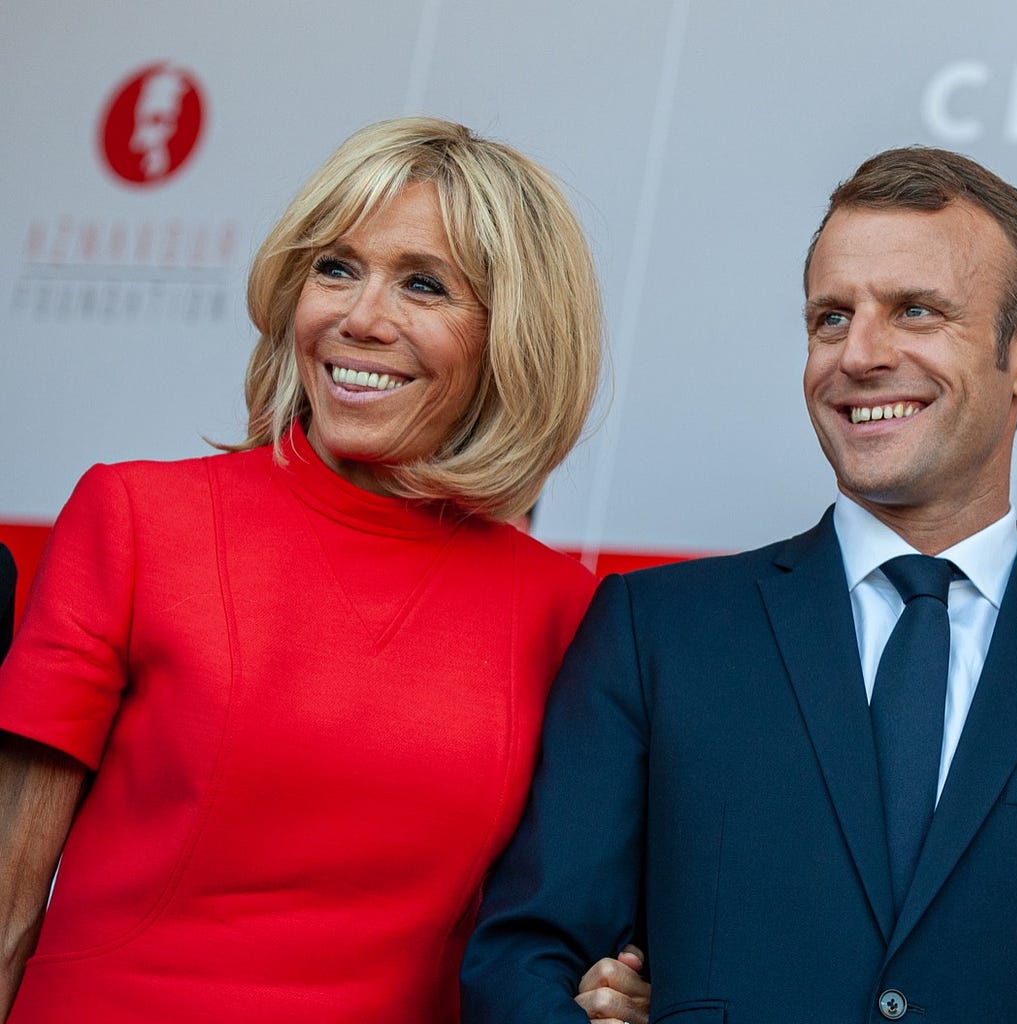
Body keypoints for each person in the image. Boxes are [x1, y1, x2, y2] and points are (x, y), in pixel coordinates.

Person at [462, 146, 1017, 1023]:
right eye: (831, 318)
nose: (859, 354)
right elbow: (524, 958)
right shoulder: (660, 635)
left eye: (915, 311)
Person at [0, 117, 642, 1023]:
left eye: (424, 285)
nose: (359, 317)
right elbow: (4, 910)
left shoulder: (571, 613)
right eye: (335, 268)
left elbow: (556, 937)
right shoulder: (138, 519)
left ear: (515, 336)